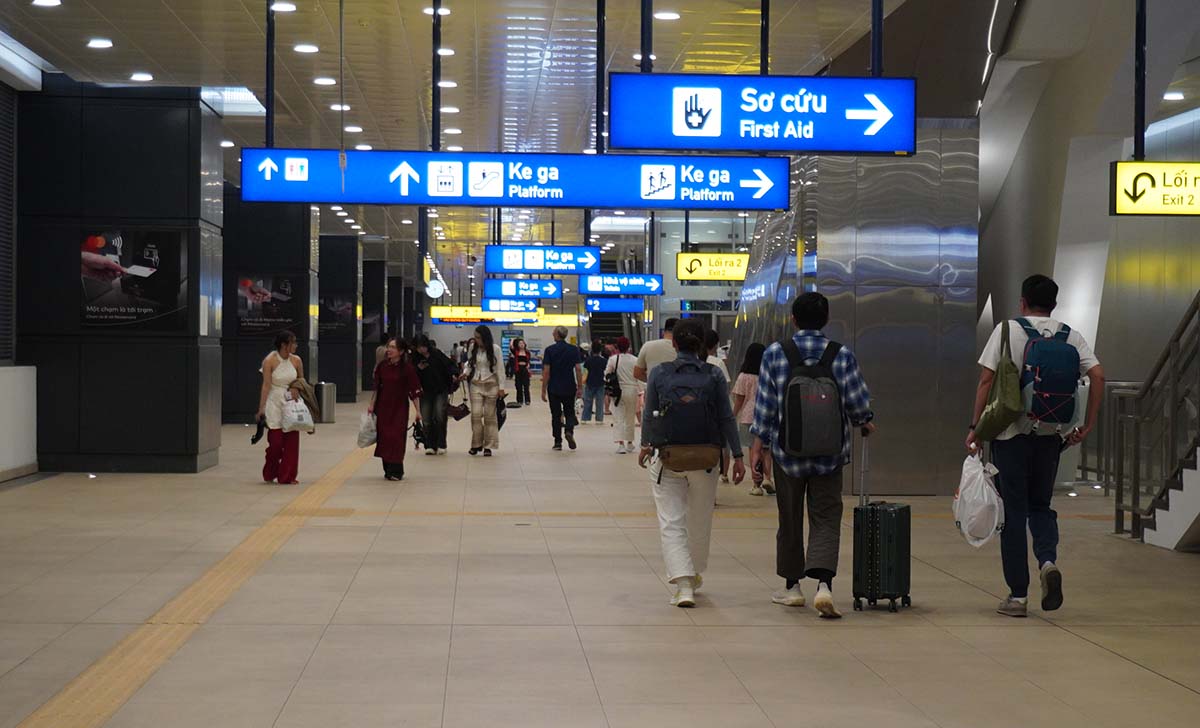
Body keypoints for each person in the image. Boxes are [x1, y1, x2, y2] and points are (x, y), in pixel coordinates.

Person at [968, 274, 1105, 618]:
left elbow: (987, 380)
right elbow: (1099, 375)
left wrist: (976, 430)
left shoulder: (1006, 330)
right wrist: (1086, 425)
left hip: (1011, 437)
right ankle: (1047, 561)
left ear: (1023, 301)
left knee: (1013, 514)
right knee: (1041, 507)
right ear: (1054, 305)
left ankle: (1017, 596)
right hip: (1050, 435)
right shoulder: (1069, 335)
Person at [750, 292, 875, 619]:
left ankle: (792, 588)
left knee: (789, 518)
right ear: (826, 319)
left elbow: (765, 406)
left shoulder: (776, 354)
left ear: (793, 319)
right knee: (826, 518)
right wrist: (864, 421)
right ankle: (824, 585)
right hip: (829, 455)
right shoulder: (841, 355)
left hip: (787, 455)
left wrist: (757, 445)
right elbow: (858, 402)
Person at [639, 319, 745, 607]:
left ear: (674, 343)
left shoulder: (660, 373)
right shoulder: (713, 375)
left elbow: (649, 414)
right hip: (707, 458)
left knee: (671, 521)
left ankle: (683, 584)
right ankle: (694, 572)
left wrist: (645, 445)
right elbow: (726, 418)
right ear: (702, 344)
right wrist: (737, 456)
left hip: (669, 457)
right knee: (700, 520)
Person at [369, 338, 422, 480]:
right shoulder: (382, 366)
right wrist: (372, 404)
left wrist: (418, 411)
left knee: (396, 437)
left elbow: (414, 391)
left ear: (401, 351)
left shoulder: (407, 369)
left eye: (393, 347)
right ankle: (387, 468)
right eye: (388, 347)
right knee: (385, 437)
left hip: (399, 408)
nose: (389, 350)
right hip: (383, 407)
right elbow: (376, 387)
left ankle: (397, 470)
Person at [256, 330, 304, 485]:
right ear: (284, 345)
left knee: (291, 440)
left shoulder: (296, 360)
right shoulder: (270, 360)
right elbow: (266, 385)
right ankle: (270, 470)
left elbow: (301, 380)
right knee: (275, 442)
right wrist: (261, 408)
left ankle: (287, 475)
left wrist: (296, 387)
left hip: (291, 401)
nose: (296, 345)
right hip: (274, 401)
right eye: (293, 342)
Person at [732, 343, 774, 496]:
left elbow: (739, 400)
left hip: (749, 417)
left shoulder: (744, 376)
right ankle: (768, 478)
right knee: (766, 450)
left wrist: (732, 416)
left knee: (753, 449)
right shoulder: (767, 374)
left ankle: (756, 485)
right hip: (766, 416)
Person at [412, 334, 457, 455]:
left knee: (439, 416)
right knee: (426, 419)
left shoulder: (437, 354)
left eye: (423, 347)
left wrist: (454, 374)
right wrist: (418, 369)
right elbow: (411, 374)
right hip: (424, 391)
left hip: (440, 390)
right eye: (418, 347)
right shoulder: (415, 359)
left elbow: (450, 365)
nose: (421, 350)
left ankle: (441, 443)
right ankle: (429, 444)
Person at [541, 325, 583, 450]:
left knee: (555, 414)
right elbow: (578, 369)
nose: (552, 334)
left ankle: (557, 442)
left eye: (554, 332)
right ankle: (569, 431)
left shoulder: (549, 350)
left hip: (554, 387)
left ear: (557, 334)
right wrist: (580, 386)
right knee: (570, 412)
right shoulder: (573, 349)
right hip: (569, 385)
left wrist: (543, 389)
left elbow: (547, 371)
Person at [466, 326, 504, 456]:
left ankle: (488, 446)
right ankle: (476, 444)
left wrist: (502, 387)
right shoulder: (473, 348)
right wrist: (465, 373)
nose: (475, 340)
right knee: (475, 415)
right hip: (476, 384)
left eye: (478, 337)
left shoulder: (496, 349)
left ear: (485, 337)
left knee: (490, 417)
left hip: (492, 385)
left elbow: (500, 368)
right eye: (475, 337)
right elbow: (469, 364)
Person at [705, 329, 732, 483]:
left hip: (701, 412)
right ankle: (724, 473)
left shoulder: (695, 361)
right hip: (717, 411)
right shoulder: (718, 362)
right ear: (715, 345)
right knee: (723, 446)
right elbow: (725, 387)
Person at [606, 336, 639, 453]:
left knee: (618, 417)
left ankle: (621, 445)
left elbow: (607, 374)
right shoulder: (635, 359)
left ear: (617, 347)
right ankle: (630, 443)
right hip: (632, 390)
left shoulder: (613, 359)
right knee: (630, 417)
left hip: (618, 391)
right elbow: (639, 376)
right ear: (628, 347)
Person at [634, 317, 679, 382]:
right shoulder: (683, 349)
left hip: (653, 391)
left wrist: (651, 382)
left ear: (664, 331)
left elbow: (637, 373)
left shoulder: (648, 346)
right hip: (676, 390)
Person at [581, 339, 608, 425]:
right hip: (600, 383)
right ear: (600, 350)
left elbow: (585, 371)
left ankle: (585, 418)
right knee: (599, 402)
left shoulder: (588, 360)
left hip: (589, 382)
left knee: (588, 401)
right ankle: (599, 419)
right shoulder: (604, 361)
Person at [512, 338, 533, 406]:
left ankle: (527, 400)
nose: (521, 344)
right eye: (520, 343)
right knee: (518, 385)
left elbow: (528, 360)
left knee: (526, 385)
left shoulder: (527, 352)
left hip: (525, 369)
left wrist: (528, 365)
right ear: (518, 345)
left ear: (524, 344)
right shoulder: (516, 351)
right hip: (518, 369)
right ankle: (520, 400)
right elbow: (511, 347)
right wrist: (512, 340)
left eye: (522, 343)